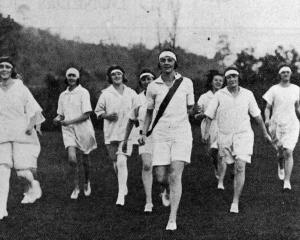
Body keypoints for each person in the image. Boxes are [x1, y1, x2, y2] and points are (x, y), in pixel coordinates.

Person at [203, 67, 271, 214]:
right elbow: (209, 115)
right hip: (225, 136)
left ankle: (235, 202)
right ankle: (229, 176)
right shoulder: (220, 95)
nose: (232, 79)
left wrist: (265, 133)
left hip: (244, 135)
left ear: (238, 77)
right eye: (229, 77)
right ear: (226, 80)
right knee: (229, 164)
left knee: (240, 166)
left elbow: (257, 116)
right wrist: (206, 133)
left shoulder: (248, 94)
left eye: (234, 76)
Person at [140, 50, 195, 230]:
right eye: (163, 60)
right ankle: (164, 189)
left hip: (181, 134)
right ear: (159, 64)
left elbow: (190, 108)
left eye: (169, 60)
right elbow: (148, 112)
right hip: (160, 134)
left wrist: (189, 115)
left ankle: (172, 219)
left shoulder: (186, 83)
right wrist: (143, 132)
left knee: (174, 174)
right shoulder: (153, 86)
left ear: (175, 63)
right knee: (161, 176)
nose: (166, 62)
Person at [0, 56, 44, 220]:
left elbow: (34, 111)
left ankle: (33, 185)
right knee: (2, 170)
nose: (4, 69)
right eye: (1, 66)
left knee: (22, 173)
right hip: (2, 133)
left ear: (12, 70)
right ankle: (1, 208)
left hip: (21, 133)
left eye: (7, 66)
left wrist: (30, 126)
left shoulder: (20, 87)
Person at [95, 65, 137, 206]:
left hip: (127, 133)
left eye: (119, 74)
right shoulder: (106, 93)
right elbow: (98, 112)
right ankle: (123, 185)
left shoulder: (131, 93)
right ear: (110, 77)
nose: (117, 76)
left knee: (121, 161)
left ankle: (120, 196)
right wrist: (107, 115)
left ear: (123, 76)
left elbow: (139, 108)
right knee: (115, 162)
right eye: (113, 74)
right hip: (111, 132)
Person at [54, 67, 97, 199]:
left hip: (84, 129)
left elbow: (86, 114)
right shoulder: (63, 95)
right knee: (72, 159)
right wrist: (57, 119)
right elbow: (60, 114)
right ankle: (76, 187)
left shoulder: (83, 92)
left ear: (77, 78)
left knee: (85, 158)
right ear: (66, 78)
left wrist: (69, 121)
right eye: (69, 76)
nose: (71, 78)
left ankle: (86, 182)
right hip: (68, 131)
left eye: (73, 75)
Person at [122, 69, 156, 212]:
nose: (147, 82)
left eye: (150, 79)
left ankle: (165, 188)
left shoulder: (162, 94)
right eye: (144, 79)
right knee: (147, 165)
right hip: (144, 135)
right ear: (140, 82)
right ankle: (149, 201)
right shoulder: (137, 98)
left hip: (162, 135)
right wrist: (125, 140)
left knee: (162, 173)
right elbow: (131, 120)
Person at [263, 65, 300, 190]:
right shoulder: (274, 89)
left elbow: (298, 107)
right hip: (276, 125)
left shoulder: (296, 89)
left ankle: (287, 182)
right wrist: (267, 119)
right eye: (283, 72)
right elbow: (267, 107)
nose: (285, 74)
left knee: (288, 151)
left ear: (290, 74)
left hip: (292, 124)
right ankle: (280, 164)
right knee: (280, 151)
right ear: (280, 74)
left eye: (288, 72)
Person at [195, 70, 224, 183]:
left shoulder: (226, 95)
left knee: (220, 149)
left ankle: (224, 169)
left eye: (220, 81)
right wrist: (204, 114)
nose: (218, 82)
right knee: (212, 152)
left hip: (222, 125)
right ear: (211, 82)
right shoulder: (204, 97)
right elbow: (197, 114)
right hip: (208, 125)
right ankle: (217, 167)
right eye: (216, 80)